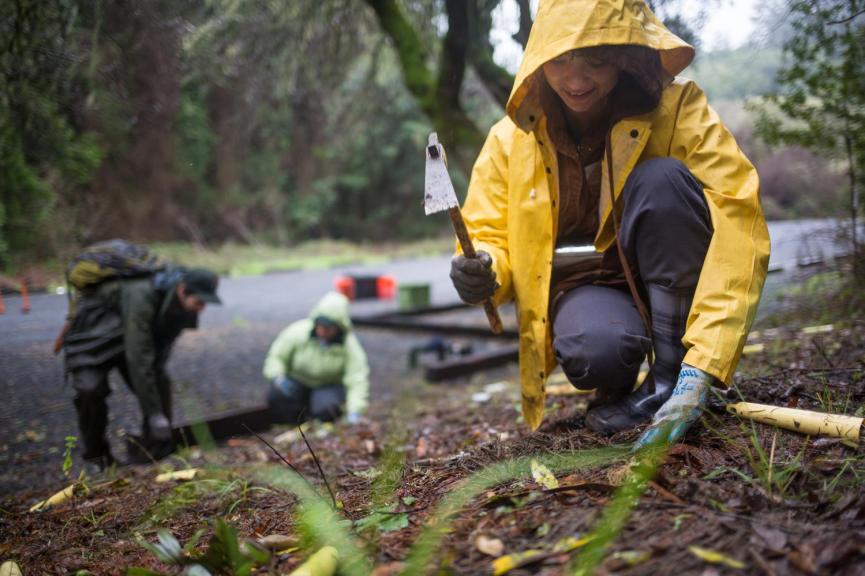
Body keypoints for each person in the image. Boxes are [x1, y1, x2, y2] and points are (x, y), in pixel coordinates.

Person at [449, 0, 770, 448]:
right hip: (585, 291)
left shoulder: (677, 110)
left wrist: (705, 365)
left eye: (596, 61)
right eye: (559, 61)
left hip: (667, 272)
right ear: (540, 60)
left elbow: (738, 215)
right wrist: (484, 269)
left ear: (625, 55)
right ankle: (618, 383)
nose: (576, 81)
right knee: (595, 351)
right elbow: (490, 234)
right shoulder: (509, 139)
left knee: (663, 180)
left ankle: (672, 377)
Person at [64, 266, 221, 467]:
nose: (202, 308)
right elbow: (138, 355)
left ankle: (154, 453)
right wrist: (154, 413)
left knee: (159, 383)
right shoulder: (141, 294)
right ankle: (98, 457)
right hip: (95, 339)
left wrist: (159, 408)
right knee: (90, 389)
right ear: (182, 290)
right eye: (199, 301)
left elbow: (159, 353)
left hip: (133, 340)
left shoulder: (183, 307)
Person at [263, 292, 369, 425]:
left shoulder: (349, 346)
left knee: (327, 410)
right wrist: (277, 377)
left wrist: (356, 410)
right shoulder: (297, 332)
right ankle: (293, 422)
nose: (323, 331)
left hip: (327, 385)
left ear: (339, 327)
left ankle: (316, 420)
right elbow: (276, 357)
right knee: (277, 396)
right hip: (297, 381)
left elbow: (357, 379)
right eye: (320, 325)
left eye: (328, 328)